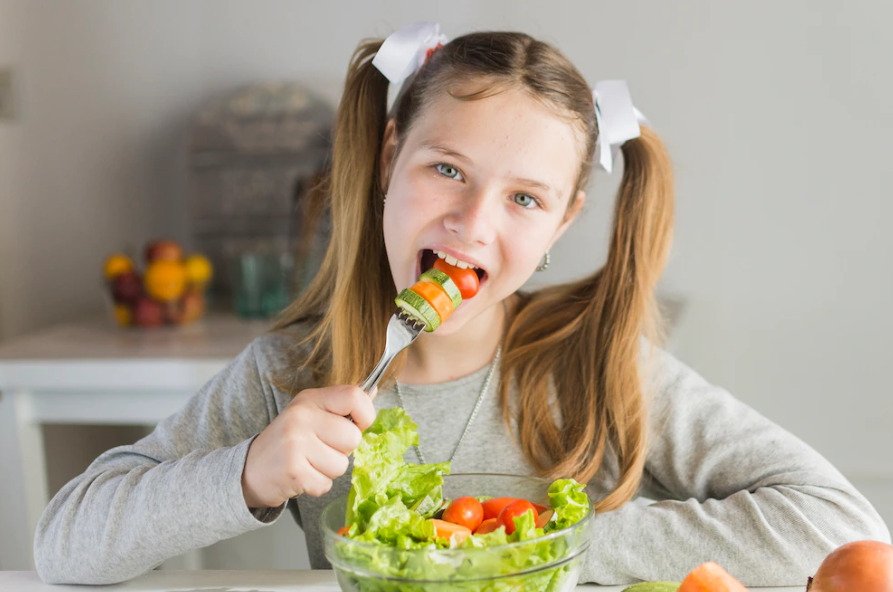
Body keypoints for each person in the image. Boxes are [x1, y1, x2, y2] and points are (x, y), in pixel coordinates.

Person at [34, 23, 889, 586]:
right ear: (388, 159)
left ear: (562, 220)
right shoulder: (290, 375)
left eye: (524, 199)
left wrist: (535, 551)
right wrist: (249, 470)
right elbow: (63, 545)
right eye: (447, 170)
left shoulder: (591, 368)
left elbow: (839, 523)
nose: (472, 224)